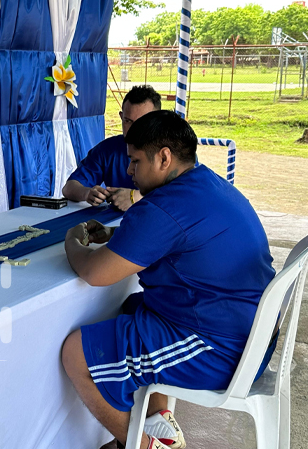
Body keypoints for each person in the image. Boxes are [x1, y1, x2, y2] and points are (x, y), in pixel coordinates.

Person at [61, 111, 275, 449]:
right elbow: (174, 235)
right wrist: (119, 236)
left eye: (134, 161)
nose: (129, 171)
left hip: (221, 350)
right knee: (134, 306)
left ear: (163, 157)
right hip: (248, 333)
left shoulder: (163, 205)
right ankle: (157, 423)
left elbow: (94, 273)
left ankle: (141, 444)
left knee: (76, 353)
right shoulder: (208, 184)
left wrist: (73, 240)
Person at [63, 85, 161, 211]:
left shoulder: (175, 149)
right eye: (128, 121)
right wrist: (87, 193)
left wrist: (136, 197)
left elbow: (188, 192)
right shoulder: (108, 150)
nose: (134, 129)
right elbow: (69, 187)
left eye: (142, 122)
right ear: (121, 116)